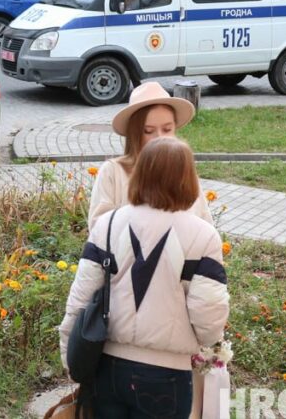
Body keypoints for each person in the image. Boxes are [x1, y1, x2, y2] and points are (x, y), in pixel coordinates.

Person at [60, 138, 230, 418]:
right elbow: (209, 316)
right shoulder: (203, 236)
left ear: (140, 174)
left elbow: (80, 298)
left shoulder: (108, 224)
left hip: (108, 369)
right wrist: (211, 349)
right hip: (168, 376)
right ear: (188, 178)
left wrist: (71, 358)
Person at [87, 81, 211, 229]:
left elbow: (205, 224)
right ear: (135, 133)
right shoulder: (113, 171)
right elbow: (98, 228)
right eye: (148, 131)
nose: (159, 137)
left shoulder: (182, 170)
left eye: (167, 129)